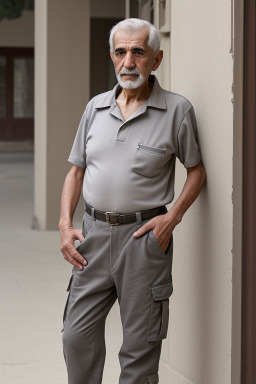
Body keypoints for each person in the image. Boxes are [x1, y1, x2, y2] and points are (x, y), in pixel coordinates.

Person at [59, 18, 206, 384]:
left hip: (144, 240)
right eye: (121, 52)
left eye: (138, 52)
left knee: (140, 349)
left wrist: (171, 219)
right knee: (76, 337)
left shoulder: (177, 110)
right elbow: (75, 171)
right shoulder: (94, 108)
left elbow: (197, 172)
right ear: (111, 56)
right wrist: (65, 225)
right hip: (91, 238)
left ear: (155, 60)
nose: (128, 62)